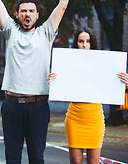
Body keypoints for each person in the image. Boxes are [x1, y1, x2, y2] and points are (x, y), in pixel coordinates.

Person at [0, 0, 74, 164]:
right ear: (17, 15)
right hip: (11, 106)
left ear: (38, 15)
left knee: (37, 157)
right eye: (23, 11)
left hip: (37, 106)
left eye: (31, 11)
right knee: (12, 158)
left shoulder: (46, 32)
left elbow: (62, 5)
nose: (27, 14)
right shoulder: (10, 31)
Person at [47, 27, 128, 164]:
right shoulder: (67, 63)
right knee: (76, 162)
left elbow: (110, 86)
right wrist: (53, 81)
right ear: (76, 43)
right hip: (74, 117)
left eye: (88, 41)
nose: (84, 45)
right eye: (81, 41)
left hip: (95, 118)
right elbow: (63, 88)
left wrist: (124, 83)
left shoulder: (103, 63)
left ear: (92, 43)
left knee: (93, 162)